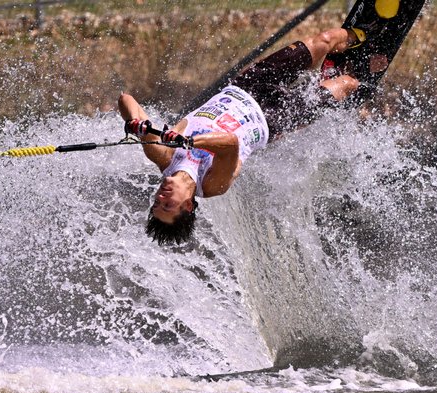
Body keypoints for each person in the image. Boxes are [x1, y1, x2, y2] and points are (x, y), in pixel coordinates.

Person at [119, 25, 385, 245]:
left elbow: (126, 99)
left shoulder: (164, 156)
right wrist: (187, 140)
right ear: (187, 207)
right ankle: (361, 73)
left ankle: (360, 36)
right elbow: (229, 143)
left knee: (324, 40)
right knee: (346, 85)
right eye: (167, 206)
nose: (161, 196)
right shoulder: (212, 185)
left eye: (157, 202)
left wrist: (134, 123)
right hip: (274, 119)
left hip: (247, 87)